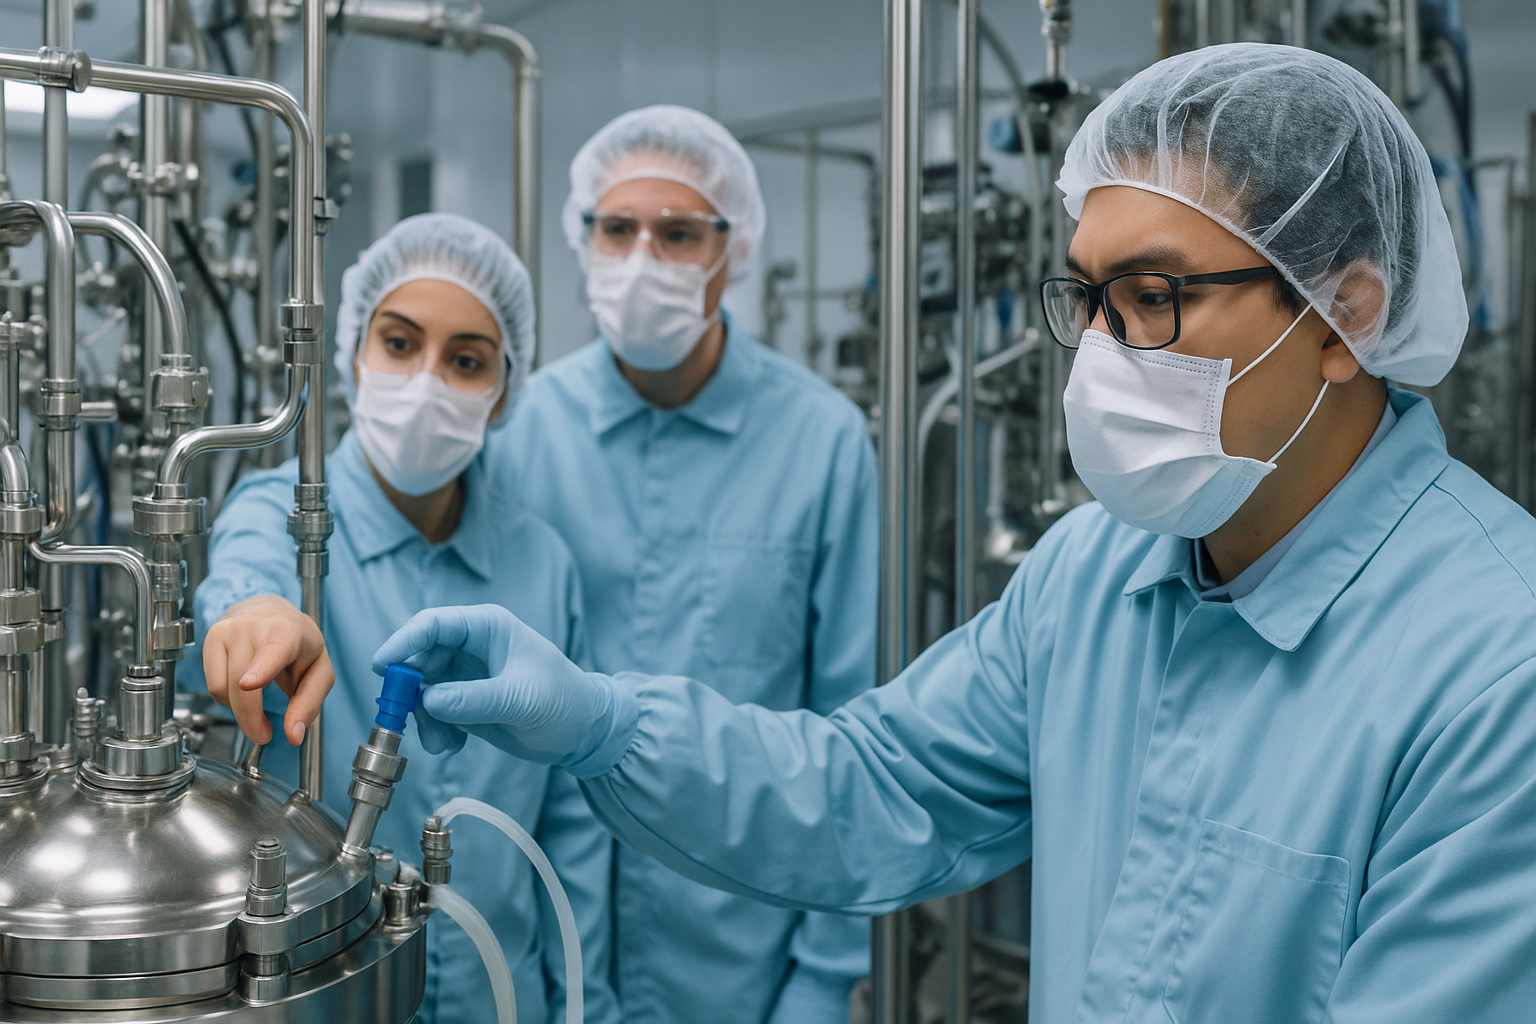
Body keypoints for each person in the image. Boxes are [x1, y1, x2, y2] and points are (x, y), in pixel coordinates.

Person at [376, 44, 1536, 1023]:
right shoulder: (1093, 574)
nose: (1100, 356)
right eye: (1086, 300)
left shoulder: (1497, 668)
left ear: (1348, 314)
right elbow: (870, 787)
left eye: (1154, 299)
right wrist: (604, 724)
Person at [481, 104, 878, 1024]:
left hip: (743, 937)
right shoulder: (519, 428)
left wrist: (826, 978)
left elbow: (856, 729)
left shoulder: (820, 441)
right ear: (581, 240)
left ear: (731, 251)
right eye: (618, 229)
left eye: (678, 232)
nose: (643, 258)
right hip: (545, 926)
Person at [190, 214, 619, 1024]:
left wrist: (585, 1003)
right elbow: (245, 583)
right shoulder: (284, 513)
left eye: (466, 361)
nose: (427, 380)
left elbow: (571, 820)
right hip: (326, 994)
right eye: (399, 342)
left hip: (502, 994)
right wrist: (254, 615)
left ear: (501, 393)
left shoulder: (543, 563)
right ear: (353, 351)